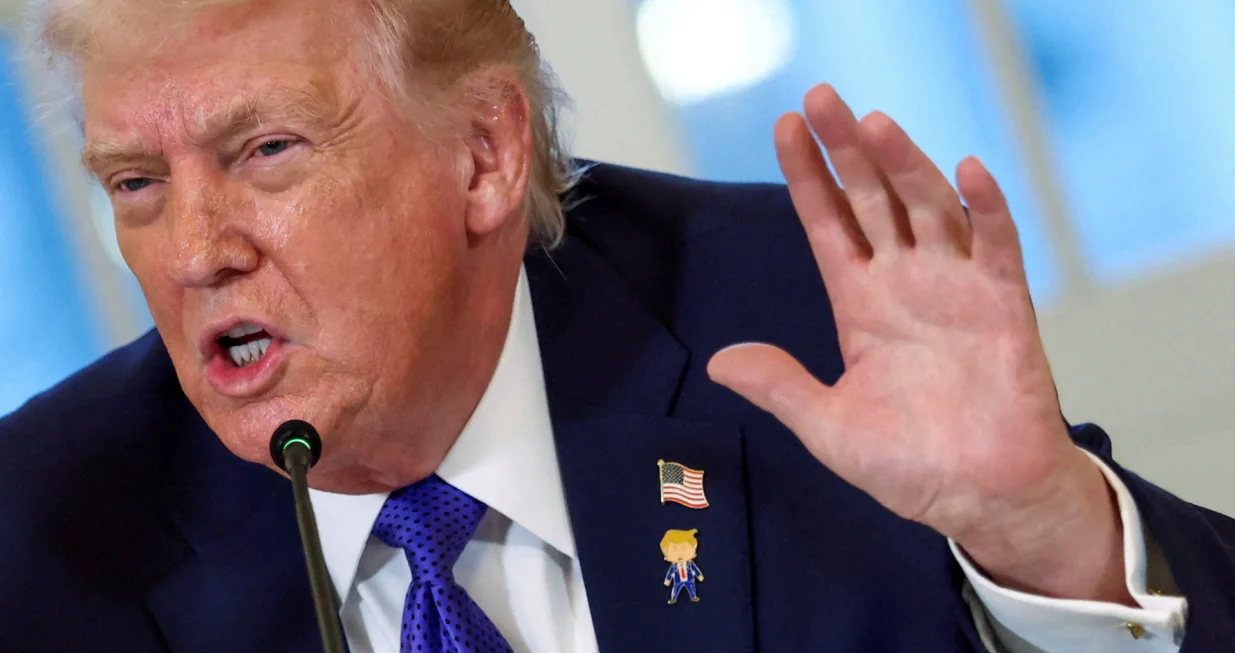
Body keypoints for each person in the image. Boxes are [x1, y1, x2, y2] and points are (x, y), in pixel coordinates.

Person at [0, 0, 1231, 651]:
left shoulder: (802, 319)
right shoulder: (47, 538)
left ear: (483, 154)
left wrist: (1045, 535)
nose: (197, 250)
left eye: (264, 152)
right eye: (136, 186)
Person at [661, 529, 705, 604]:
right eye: (674, 549)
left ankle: (693, 596)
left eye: (683, 548)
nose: (679, 554)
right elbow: (670, 573)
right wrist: (667, 581)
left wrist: (699, 576)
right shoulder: (674, 566)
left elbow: (695, 569)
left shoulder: (690, 564)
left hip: (689, 580)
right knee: (675, 589)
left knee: (691, 588)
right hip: (678, 581)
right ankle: (673, 598)